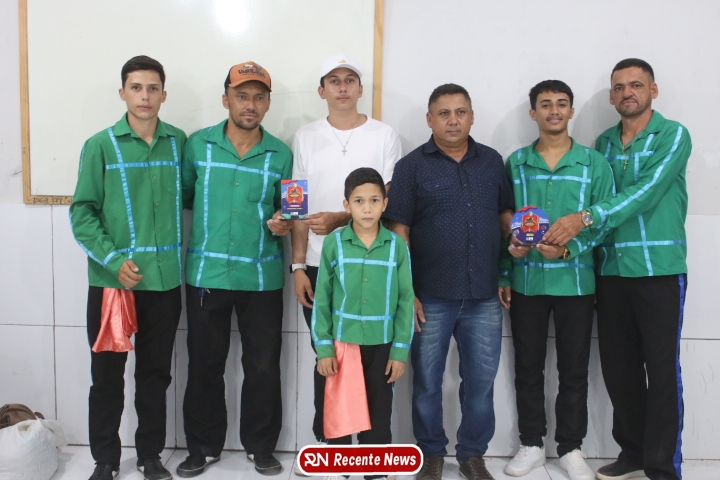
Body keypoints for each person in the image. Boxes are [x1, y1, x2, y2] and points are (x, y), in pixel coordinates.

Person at [543, 59, 692, 480]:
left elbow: (646, 192)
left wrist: (584, 218)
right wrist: (570, 248)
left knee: (661, 370)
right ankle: (634, 453)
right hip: (610, 272)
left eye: (636, 85)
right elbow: (599, 210)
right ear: (612, 96)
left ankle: (663, 466)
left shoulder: (673, 134)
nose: (628, 92)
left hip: (658, 270)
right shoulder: (603, 144)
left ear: (653, 90)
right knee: (618, 368)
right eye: (620, 87)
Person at [384, 84, 515, 480]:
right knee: (427, 383)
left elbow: (505, 219)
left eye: (460, 112)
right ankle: (431, 454)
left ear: (472, 117)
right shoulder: (411, 167)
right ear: (430, 119)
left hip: (484, 295)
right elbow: (399, 230)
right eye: (444, 113)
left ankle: (472, 455)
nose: (453, 120)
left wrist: (507, 268)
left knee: (480, 383)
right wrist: (407, 292)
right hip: (430, 296)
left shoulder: (491, 162)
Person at [70, 55, 186, 480]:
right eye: (136, 87)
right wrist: (115, 261)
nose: (145, 96)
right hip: (112, 285)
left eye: (153, 88)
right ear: (122, 93)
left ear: (164, 95)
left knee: (156, 375)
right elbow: (82, 213)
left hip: (164, 282)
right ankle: (105, 459)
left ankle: (150, 455)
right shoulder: (100, 145)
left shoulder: (179, 142)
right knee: (106, 376)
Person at [178, 62, 293, 478]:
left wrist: (281, 222)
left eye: (259, 97)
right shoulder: (198, 145)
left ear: (268, 103)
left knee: (262, 367)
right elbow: (187, 196)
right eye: (242, 95)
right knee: (204, 365)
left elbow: (287, 208)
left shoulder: (281, 153)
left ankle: (260, 447)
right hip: (207, 275)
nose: (250, 105)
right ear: (225, 98)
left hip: (262, 278)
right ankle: (203, 447)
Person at [290, 53, 402, 473]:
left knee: (372, 367)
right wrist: (298, 267)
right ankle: (333, 450)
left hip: (372, 264)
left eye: (350, 79)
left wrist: (342, 218)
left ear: (360, 89)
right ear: (322, 90)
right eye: (333, 80)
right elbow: (296, 204)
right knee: (331, 362)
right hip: (319, 266)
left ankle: (372, 454)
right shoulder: (305, 136)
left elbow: (389, 198)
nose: (342, 87)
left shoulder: (384, 135)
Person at [498, 80, 615, 480]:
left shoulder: (593, 163)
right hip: (527, 283)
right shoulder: (516, 163)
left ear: (571, 111)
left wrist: (569, 250)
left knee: (574, 370)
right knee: (528, 367)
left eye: (561, 104)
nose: (554, 111)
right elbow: (505, 218)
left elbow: (602, 223)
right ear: (533, 113)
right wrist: (508, 259)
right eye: (545, 104)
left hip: (576, 285)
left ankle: (570, 448)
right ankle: (531, 444)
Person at [311, 167, 414, 478]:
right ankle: (338, 466)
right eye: (358, 201)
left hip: (383, 343)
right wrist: (324, 348)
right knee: (341, 407)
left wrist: (399, 351)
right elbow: (322, 299)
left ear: (385, 204)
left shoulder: (396, 246)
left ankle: (375, 468)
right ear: (347, 205)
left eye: (374, 200)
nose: (367, 208)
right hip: (343, 343)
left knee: (379, 409)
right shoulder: (334, 243)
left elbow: (406, 300)